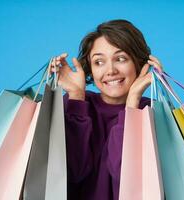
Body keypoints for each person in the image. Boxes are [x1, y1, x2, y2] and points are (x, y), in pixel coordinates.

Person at [50, 19, 163, 200]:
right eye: (99, 62)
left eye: (120, 59)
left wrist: (132, 103)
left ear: (139, 63)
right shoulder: (75, 104)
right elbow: (72, 173)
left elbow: (127, 179)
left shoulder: (155, 112)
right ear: (91, 69)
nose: (110, 70)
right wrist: (77, 96)